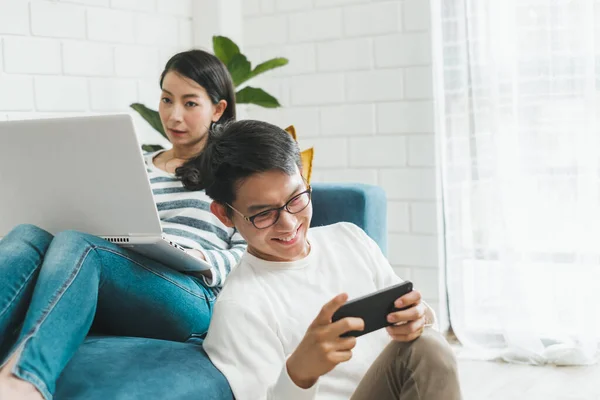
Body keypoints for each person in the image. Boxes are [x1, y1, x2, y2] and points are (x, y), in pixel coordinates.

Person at [0, 49, 246, 400]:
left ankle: (24, 381)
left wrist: (199, 258)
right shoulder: (135, 164)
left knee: (79, 244)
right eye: (166, 99)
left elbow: (252, 245)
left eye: (190, 103)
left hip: (190, 291)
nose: (174, 115)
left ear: (218, 109)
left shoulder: (233, 173)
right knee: (27, 234)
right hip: (121, 275)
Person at [191, 120, 462, 400]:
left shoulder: (349, 239)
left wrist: (419, 317)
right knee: (427, 347)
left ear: (305, 179)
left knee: (427, 343)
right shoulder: (240, 307)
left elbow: (421, 330)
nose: (288, 223)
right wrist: (299, 373)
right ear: (224, 214)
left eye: (296, 198)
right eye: (263, 214)